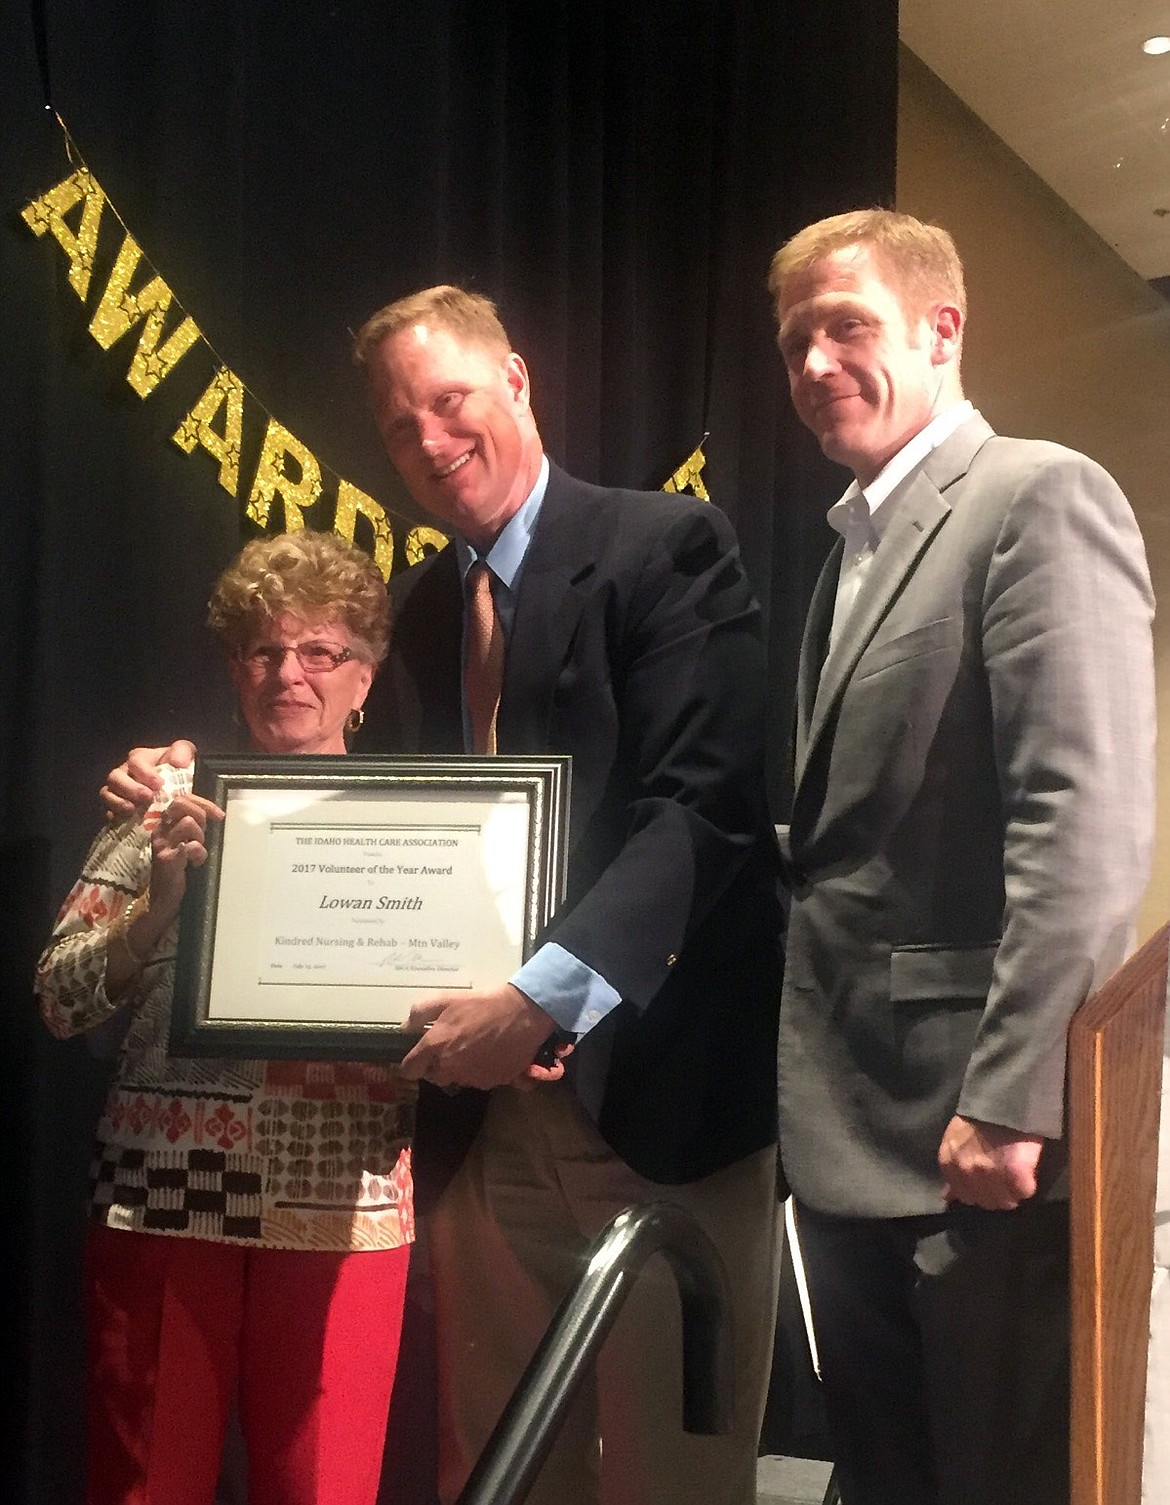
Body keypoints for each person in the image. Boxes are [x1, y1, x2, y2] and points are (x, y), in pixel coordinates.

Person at [102, 287, 785, 1505]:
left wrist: (539, 999)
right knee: (502, 1468)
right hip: (481, 1129)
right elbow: (347, 812)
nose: (428, 441)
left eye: (449, 401)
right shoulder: (417, 613)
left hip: (660, 1104)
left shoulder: (667, 545)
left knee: (669, 1481)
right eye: (399, 426)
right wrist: (182, 776)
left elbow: (707, 810)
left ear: (516, 381)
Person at [767, 207, 1157, 1505]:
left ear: (942, 331)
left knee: (995, 1481)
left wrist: (1009, 1097)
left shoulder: (1034, 497)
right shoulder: (850, 556)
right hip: (852, 1131)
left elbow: (1084, 821)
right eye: (795, 343)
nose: (816, 362)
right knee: (894, 1481)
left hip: (970, 1138)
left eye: (847, 326)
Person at [36, 531, 417, 1505]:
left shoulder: (424, 825)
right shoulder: (161, 802)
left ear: (363, 676)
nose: (289, 672)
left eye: (319, 651)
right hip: (163, 1196)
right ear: (235, 668)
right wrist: (159, 898)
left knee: (325, 1493)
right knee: (145, 1489)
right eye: (263, 649)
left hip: (342, 1207)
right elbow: (58, 997)